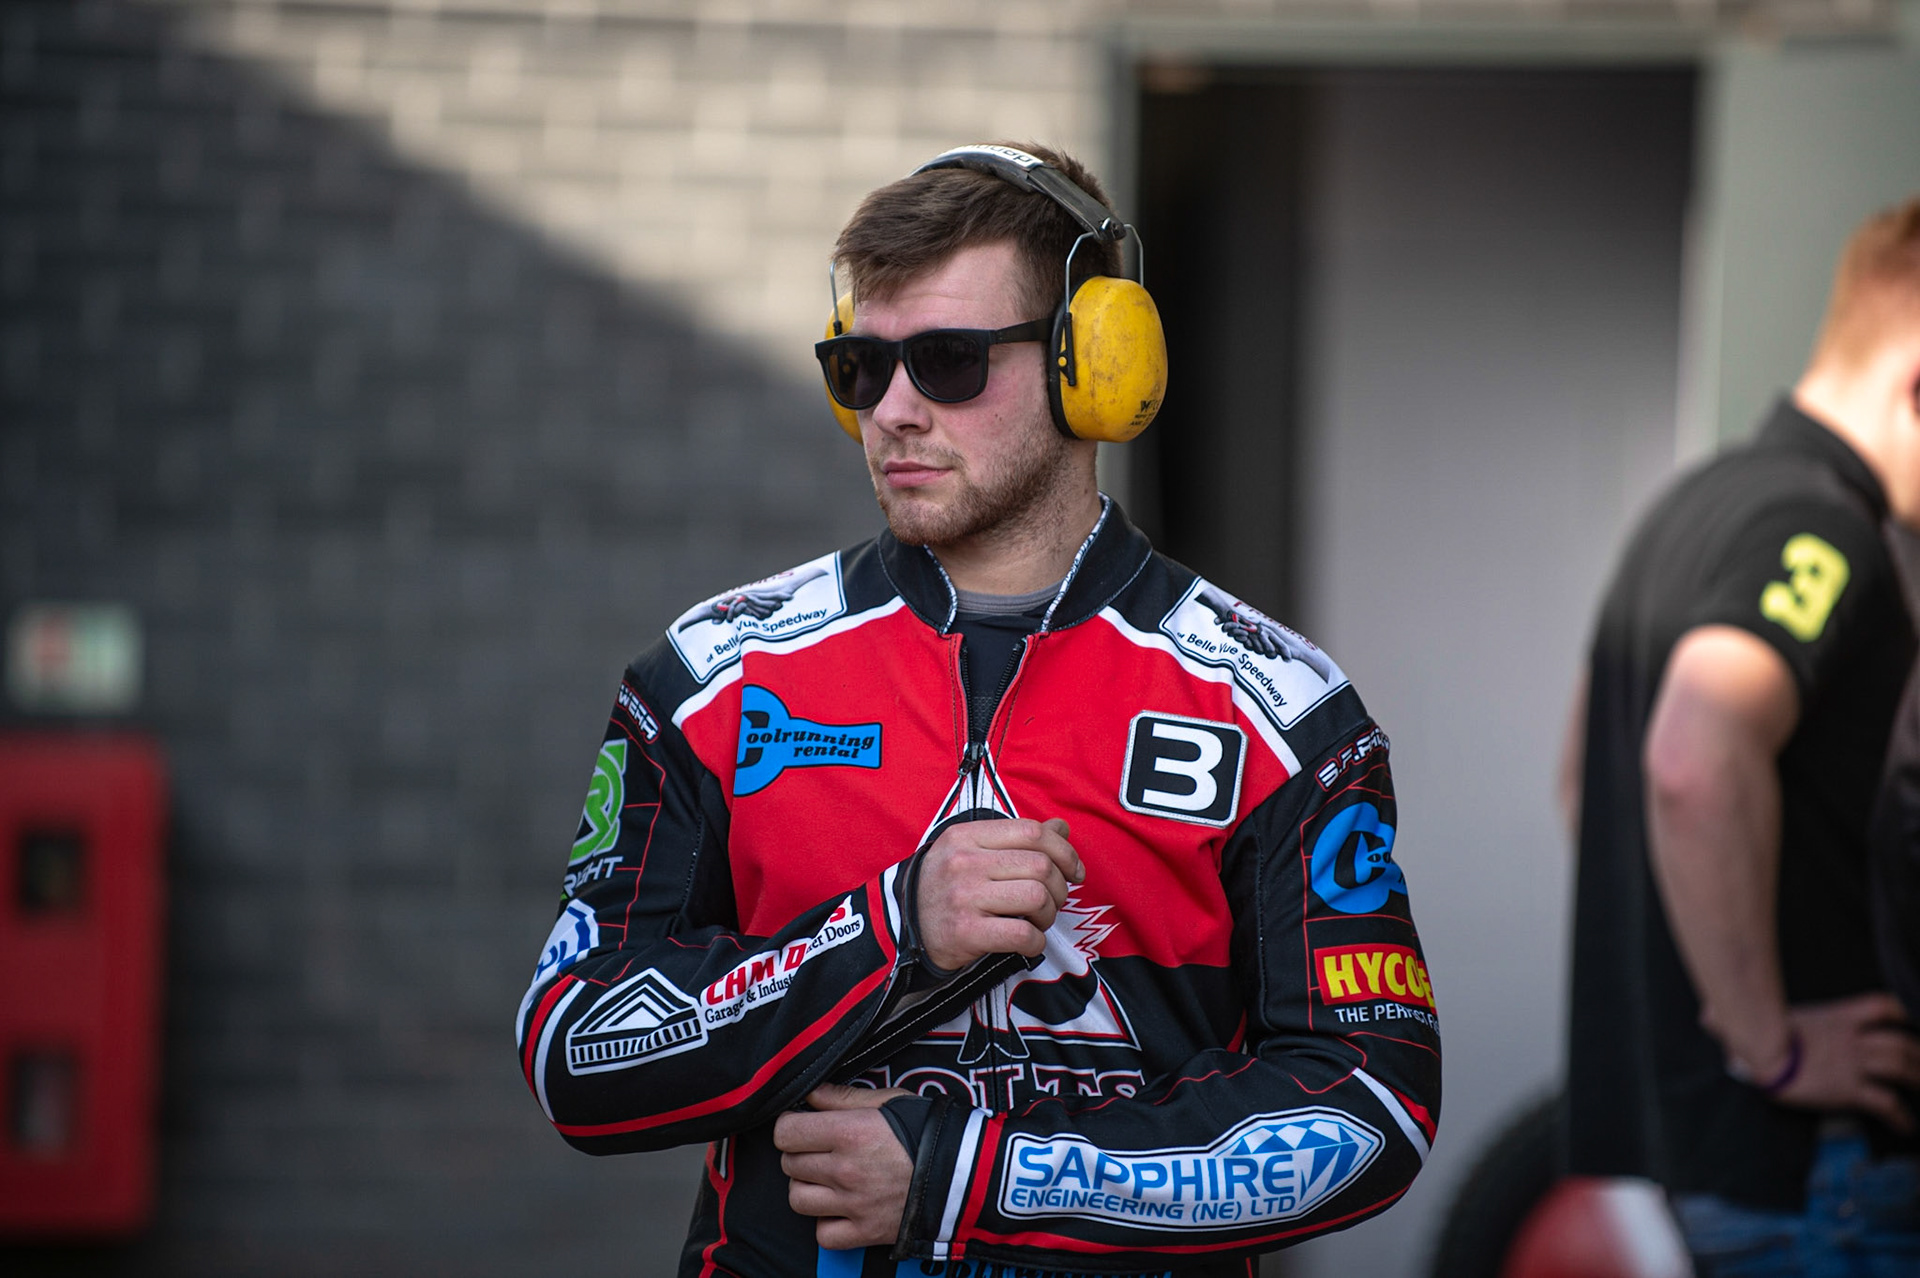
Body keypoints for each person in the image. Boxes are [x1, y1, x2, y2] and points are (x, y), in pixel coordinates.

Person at [514, 142, 1439, 1277]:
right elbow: (577, 1056)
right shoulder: (714, 681)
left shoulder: (1279, 714)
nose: (893, 412)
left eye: (949, 361)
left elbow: (1371, 1104)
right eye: (861, 366)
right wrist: (890, 932)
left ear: (1088, 365)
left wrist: (972, 1179)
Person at [1563, 196, 1920, 1273]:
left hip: (1720, 1159)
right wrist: (1769, 1043)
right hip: (1816, 1170)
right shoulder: (1821, 532)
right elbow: (1689, 760)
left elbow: (1588, 772)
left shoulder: (1698, 505)